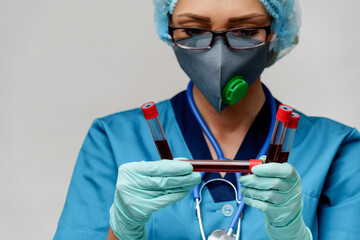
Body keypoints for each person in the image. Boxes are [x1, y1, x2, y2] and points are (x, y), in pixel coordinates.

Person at [53, 0, 360, 239]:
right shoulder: (112, 139)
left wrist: (293, 236)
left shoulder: (336, 149)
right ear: (169, 31)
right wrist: (123, 228)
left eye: (245, 31)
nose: (219, 54)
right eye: (193, 31)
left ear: (276, 31)